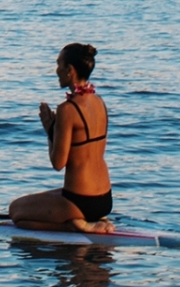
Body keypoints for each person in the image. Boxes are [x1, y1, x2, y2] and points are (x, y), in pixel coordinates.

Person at [9, 43, 115, 234]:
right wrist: (53, 129)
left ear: (70, 70)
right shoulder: (99, 102)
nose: (56, 70)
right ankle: (93, 219)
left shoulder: (68, 109)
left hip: (80, 200)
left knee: (16, 211)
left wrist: (50, 131)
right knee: (39, 199)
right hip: (104, 199)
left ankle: (77, 225)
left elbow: (58, 163)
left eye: (59, 64)